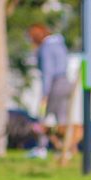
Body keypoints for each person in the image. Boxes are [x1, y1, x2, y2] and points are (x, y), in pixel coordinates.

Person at [28, 24, 71, 159]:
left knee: (43, 117)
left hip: (54, 85)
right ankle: (65, 149)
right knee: (62, 119)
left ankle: (41, 147)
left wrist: (44, 94)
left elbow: (48, 71)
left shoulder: (46, 48)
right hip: (65, 82)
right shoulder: (60, 44)